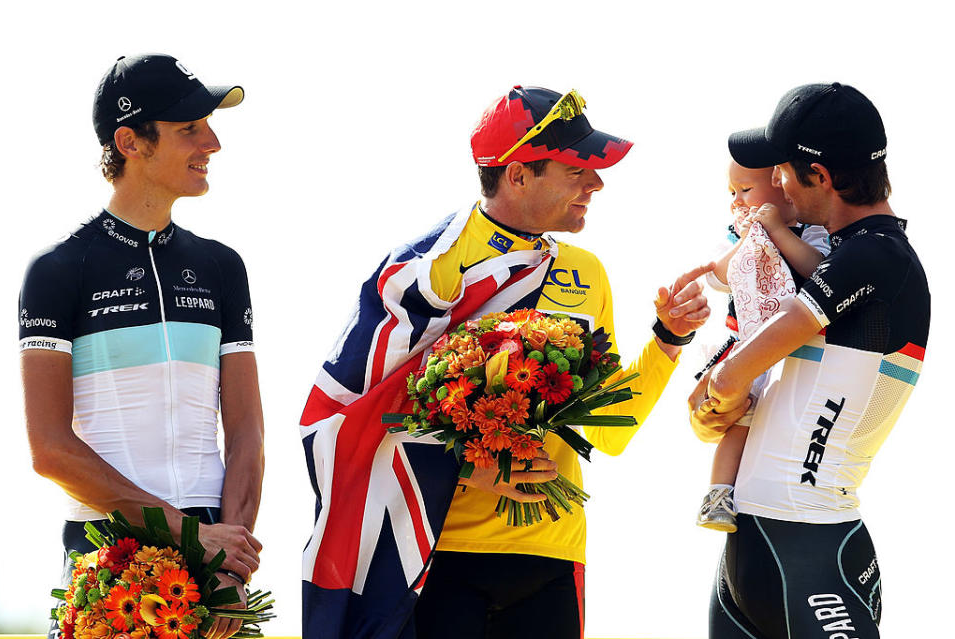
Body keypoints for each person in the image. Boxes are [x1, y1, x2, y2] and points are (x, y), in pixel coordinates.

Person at [299, 85, 712, 639]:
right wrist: (469, 466)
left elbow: (607, 432)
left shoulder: (587, 271)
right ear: (517, 174)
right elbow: (352, 417)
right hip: (441, 557)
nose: (596, 183)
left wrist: (667, 339)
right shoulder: (431, 268)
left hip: (553, 554)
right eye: (576, 170)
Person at [19, 53, 264, 639]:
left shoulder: (222, 267)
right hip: (109, 551)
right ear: (130, 142)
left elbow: (248, 430)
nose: (213, 143)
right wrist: (185, 534)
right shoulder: (59, 270)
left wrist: (233, 563)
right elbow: (49, 449)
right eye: (190, 130)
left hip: (215, 553)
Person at [689, 83, 930, 638]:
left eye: (784, 171)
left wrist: (719, 389)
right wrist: (709, 407)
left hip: (807, 544)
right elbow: (728, 387)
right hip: (757, 546)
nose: (772, 181)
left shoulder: (876, 255)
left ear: (820, 177)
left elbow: (737, 371)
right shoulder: (832, 255)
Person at [695, 160, 828, 532]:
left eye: (745, 190)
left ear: (780, 185)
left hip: (791, 346)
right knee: (742, 419)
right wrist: (747, 236)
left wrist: (775, 230)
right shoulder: (736, 234)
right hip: (747, 345)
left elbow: (818, 268)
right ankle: (718, 493)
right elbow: (717, 276)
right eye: (731, 192)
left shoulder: (809, 231)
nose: (737, 199)